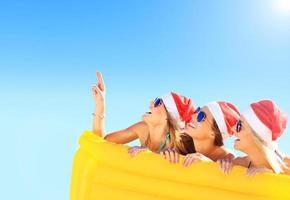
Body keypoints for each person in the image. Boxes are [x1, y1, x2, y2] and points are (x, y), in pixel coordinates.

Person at [92, 71, 196, 154]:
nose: (150, 104)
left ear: (167, 116)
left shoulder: (177, 146)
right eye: (154, 100)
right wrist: (100, 104)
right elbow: (102, 142)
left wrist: (151, 156)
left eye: (157, 103)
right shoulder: (142, 129)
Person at [218, 100, 290, 176]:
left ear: (256, 135)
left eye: (239, 125)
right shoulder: (239, 164)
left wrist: (272, 177)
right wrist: (223, 163)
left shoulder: (286, 164)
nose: (233, 129)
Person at [161, 101, 240, 165]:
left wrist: (209, 164)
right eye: (198, 111)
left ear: (214, 133)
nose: (193, 116)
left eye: (201, 116)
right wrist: (169, 151)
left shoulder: (228, 160)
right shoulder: (182, 142)